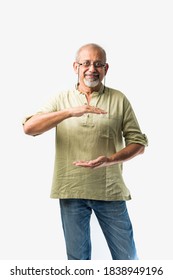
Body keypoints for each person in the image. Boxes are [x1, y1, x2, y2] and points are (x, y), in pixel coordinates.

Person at [23, 43, 148, 260]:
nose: (92, 69)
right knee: (78, 263)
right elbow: (29, 128)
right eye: (86, 63)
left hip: (109, 190)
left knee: (127, 260)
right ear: (75, 67)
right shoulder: (61, 99)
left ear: (106, 69)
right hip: (71, 189)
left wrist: (110, 160)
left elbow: (138, 144)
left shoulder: (119, 99)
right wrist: (70, 112)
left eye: (98, 64)